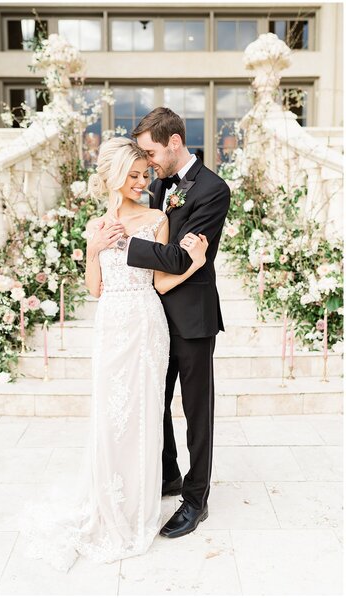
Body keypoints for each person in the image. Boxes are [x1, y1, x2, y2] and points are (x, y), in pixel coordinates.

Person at [18, 136, 208, 572]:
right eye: (134, 176)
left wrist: (193, 262)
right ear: (114, 178)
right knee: (110, 415)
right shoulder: (96, 223)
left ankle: (138, 506)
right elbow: (93, 287)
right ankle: (107, 501)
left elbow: (161, 283)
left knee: (142, 416)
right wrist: (94, 247)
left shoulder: (157, 217)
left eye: (145, 175)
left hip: (145, 324)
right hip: (110, 325)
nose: (142, 182)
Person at [126, 107, 231, 539]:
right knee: (155, 399)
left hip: (192, 317)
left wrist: (125, 242)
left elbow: (183, 257)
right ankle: (169, 475)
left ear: (173, 142)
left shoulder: (213, 189)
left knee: (196, 409)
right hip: (154, 314)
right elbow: (166, 244)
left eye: (151, 151)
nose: (148, 162)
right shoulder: (163, 186)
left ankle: (196, 499)